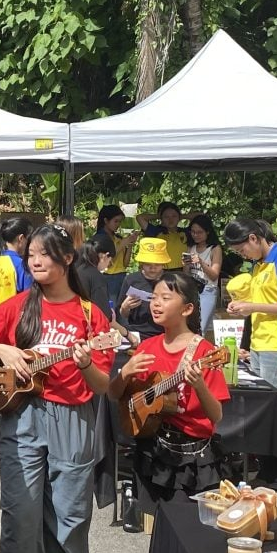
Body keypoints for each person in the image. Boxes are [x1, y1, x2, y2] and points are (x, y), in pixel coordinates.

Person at [0, 223, 113, 553]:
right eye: (30, 254)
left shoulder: (91, 315)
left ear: (67, 258)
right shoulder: (16, 306)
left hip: (74, 419)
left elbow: (102, 384)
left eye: (44, 254)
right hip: (21, 416)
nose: (34, 261)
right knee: (21, 519)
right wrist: (3, 350)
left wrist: (85, 364)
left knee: (69, 522)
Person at [109, 273, 230, 516]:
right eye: (154, 297)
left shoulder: (204, 352)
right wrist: (126, 373)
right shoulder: (147, 347)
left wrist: (199, 386)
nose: (156, 304)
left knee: (184, 524)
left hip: (190, 456)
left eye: (165, 298)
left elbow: (216, 415)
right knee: (153, 524)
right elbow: (114, 394)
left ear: (187, 309)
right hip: (152, 449)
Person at [223, 218, 277, 400]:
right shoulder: (258, 264)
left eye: (242, 250)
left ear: (253, 238)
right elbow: (264, 301)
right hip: (258, 342)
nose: (243, 256)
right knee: (261, 403)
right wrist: (242, 307)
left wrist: (252, 306)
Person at [116, 237, 170, 344]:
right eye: (148, 264)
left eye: (157, 264)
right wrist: (125, 307)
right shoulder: (131, 280)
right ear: (141, 263)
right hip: (136, 333)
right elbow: (121, 314)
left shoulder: (170, 281)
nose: (152, 268)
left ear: (163, 264)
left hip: (164, 333)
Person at [0, 216, 33, 317]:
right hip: (14, 321)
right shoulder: (21, 264)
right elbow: (29, 300)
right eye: (29, 239)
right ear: (21, 238)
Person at [183, 214, 223, 336]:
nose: (195, 235)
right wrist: (186, 264)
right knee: (190, 324)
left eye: (199, 232)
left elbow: (214, 275)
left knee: (201, 328)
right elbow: (186, 274)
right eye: (193, 232)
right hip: (192, 289)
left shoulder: (215, 249)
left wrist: (201, 262)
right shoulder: (191, 247)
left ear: (208, 232)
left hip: (207, 290)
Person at [93, 204, 139, 303]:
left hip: (121, 276)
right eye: (116, 221)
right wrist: (123, 244)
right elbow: (104, 262)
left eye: (120, 221)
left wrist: (130, 244)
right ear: (106, 221)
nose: (118, 224)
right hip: (107, 277)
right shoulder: (99, 239)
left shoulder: (118, 238)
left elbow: (125, 264)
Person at [137, 202, 190, 270]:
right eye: (166, 217)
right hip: (162, 271)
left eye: (174, 216)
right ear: (161, 218)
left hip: (183, 271)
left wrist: (182, 216)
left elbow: (199, 216)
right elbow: (139, 217)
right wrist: (160, 215)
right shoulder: (155, 231)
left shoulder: (185, 232)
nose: (170, 219)